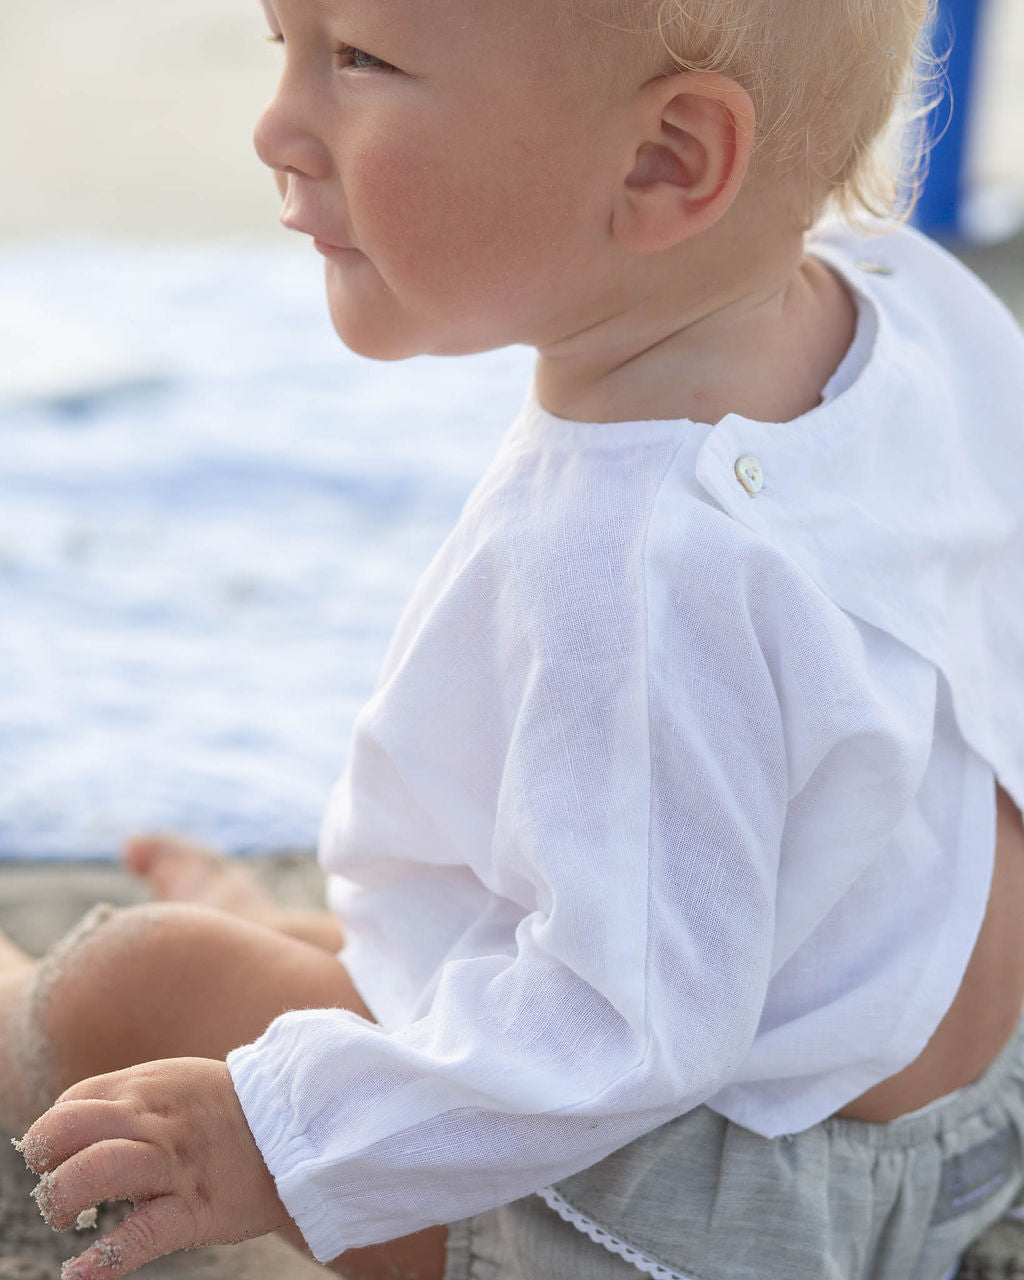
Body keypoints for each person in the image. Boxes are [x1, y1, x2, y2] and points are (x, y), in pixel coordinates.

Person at [4, 0, 1024, 1277]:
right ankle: (337, 955)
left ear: (664, 161)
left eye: (359, 61)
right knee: (523, 913)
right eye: (285, 43)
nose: (277, 127)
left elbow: (619, 1028)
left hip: (734, 1213)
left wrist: (273, 1135)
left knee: (137, 983)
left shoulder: (631, 558)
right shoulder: (916, 306)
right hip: (961, 1101)